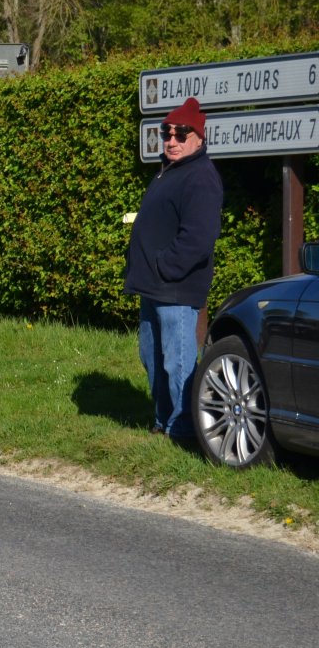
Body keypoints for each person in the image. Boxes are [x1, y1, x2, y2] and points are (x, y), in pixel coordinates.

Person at [124, 96, 223, 440]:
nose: (172, 141)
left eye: (181, 135)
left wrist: (165, 266)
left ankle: (183, 429)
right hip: (154, 286)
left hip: (176, 288)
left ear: (198, 138)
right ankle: (162, 421)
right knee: (151, 358)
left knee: (178, 362)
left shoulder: (201, 178)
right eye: (167, 133)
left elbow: (198, 238)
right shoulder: (169, 171)